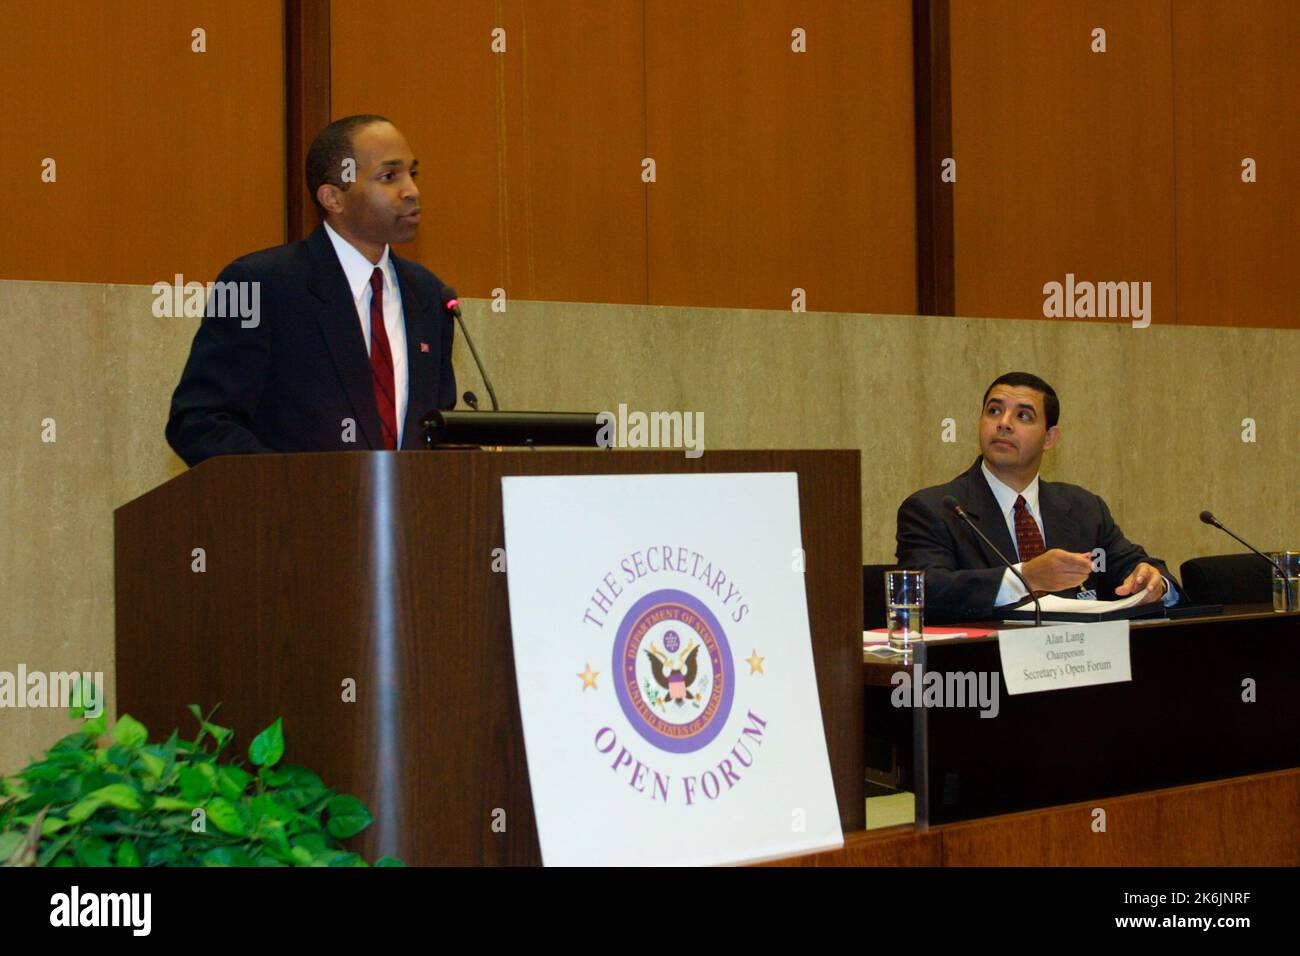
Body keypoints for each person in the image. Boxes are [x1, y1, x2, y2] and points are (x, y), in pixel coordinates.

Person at [166, 115, 456, 467]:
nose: (412, 190)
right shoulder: (250, 282)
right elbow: (199, 421)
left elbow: (438, 430)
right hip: (296, 515)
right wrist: (294, 487)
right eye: (389, 176)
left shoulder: (429, 294)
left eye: (413, 173)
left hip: (407, 515)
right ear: (332, 197)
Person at [895, 371, 1181, 622]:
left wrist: (1154, 582)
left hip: (1079, 666)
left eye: (1023, 416)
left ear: (1049, 438)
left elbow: (1134, 566)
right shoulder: (936, 509)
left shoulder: (1084, 508)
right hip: (987, 671)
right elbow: (921, 592)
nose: (1004, 423)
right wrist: (1025, 577)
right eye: (994, 411)